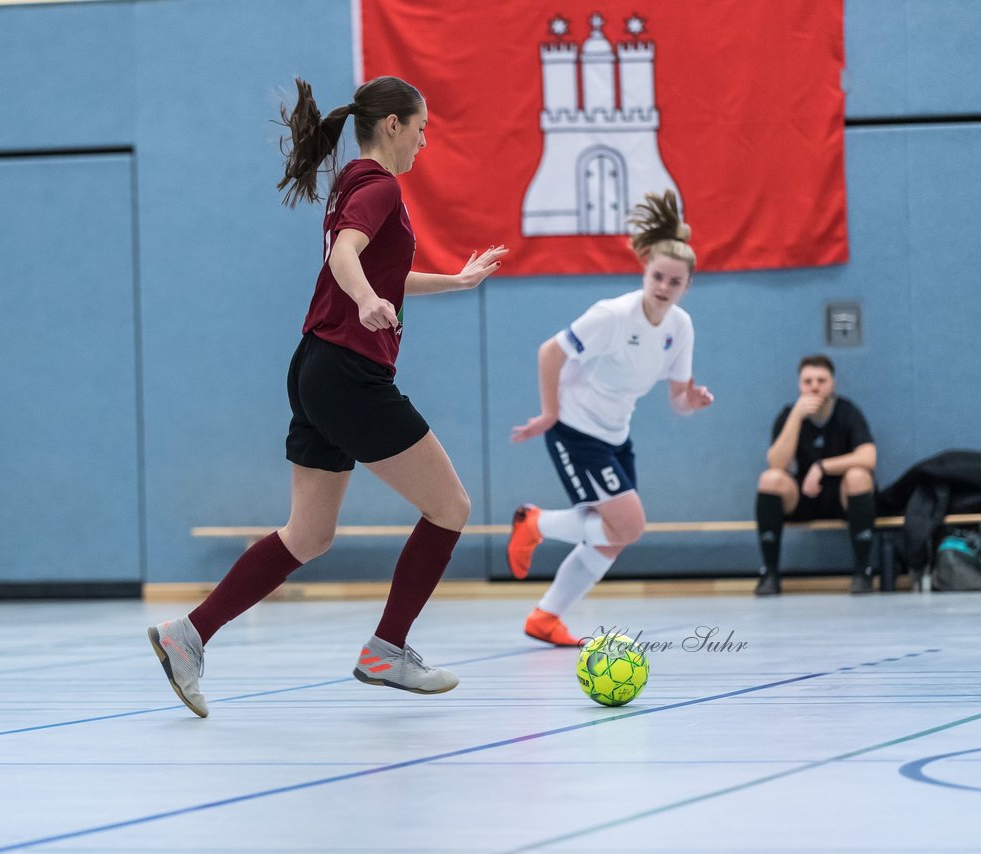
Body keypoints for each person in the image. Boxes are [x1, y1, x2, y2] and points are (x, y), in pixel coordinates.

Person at [147, 76, 508, 717]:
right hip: (348, 374)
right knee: (451, 506)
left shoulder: (350, 183)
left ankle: (188, 636)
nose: (426, 140)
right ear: (393, 125)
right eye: (422, 127)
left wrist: (454, 281)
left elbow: (376, 270)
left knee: (308, 535)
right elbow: (349, 257)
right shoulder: (381, 185)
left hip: (314, 366)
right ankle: (387, 649)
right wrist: (368, 301)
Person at [506, 190, 714, 646]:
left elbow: (678, 396)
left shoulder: (680, 328)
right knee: (630, 525)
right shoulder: (613, 316)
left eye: (674, 282)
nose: (663, 287)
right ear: (645, 270)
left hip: (615, 433)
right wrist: (549, 413)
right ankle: (534, 523)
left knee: (614, 537)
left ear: (686, 287)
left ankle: (545, 617)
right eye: (657, 276)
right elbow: (550, 352)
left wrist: (691, 401)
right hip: (575, 429)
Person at [753, 355, 877, 595]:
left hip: (842, 497)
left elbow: (869, 457)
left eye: (821, 380)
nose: (814, 386)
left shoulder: (847, 412)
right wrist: (797, 417)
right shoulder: (789, 415)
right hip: (803, 498)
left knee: (859, 476)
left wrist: (821, 467)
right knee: (770, 479)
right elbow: (776, 463)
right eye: (807, 381)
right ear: (799, 385)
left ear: (833, 383)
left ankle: (863, 572)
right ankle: (769, 573)